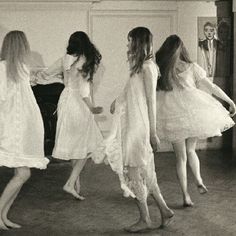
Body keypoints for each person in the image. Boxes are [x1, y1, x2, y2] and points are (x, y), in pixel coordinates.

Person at [92, 27, 174, 233]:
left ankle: (145, 219)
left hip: (139, 126)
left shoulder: (148, 68)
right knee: (145, 170)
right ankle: (164, 210)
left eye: (130, 41)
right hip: (132, 122)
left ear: (138, 42)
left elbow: (151, 101)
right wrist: (116, 101)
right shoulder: (139, 67)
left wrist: (153, 132)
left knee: (135, 171)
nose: (127, 45)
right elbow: (130, 90)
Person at [155, 34, 235, 207]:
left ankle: (185, 196)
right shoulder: (191, 67)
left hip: (171, 113)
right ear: (182, 49)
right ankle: (198, 179)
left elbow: (150, 92)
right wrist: (229, 101)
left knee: (180, 158)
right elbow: (212, 87)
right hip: (193, 112)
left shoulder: (162, 68)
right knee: (191, 150)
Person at [34, 31, 103, 200]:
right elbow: (84, 89)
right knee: (89, 146)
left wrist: (40, 79)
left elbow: (45, 74)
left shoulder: (66, 58)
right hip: (79, 104)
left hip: (65, 100)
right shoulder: (85, 60)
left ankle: (76, 185)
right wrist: (92, 107)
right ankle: (70, 183)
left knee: (75, 145)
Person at [0, 31, 49, 230]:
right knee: (22, 173)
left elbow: (25, 97)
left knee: (23, 173)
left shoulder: (21, 68)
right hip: (13, 128)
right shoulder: (3, 68)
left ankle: (3, 217)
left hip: (24, 128)